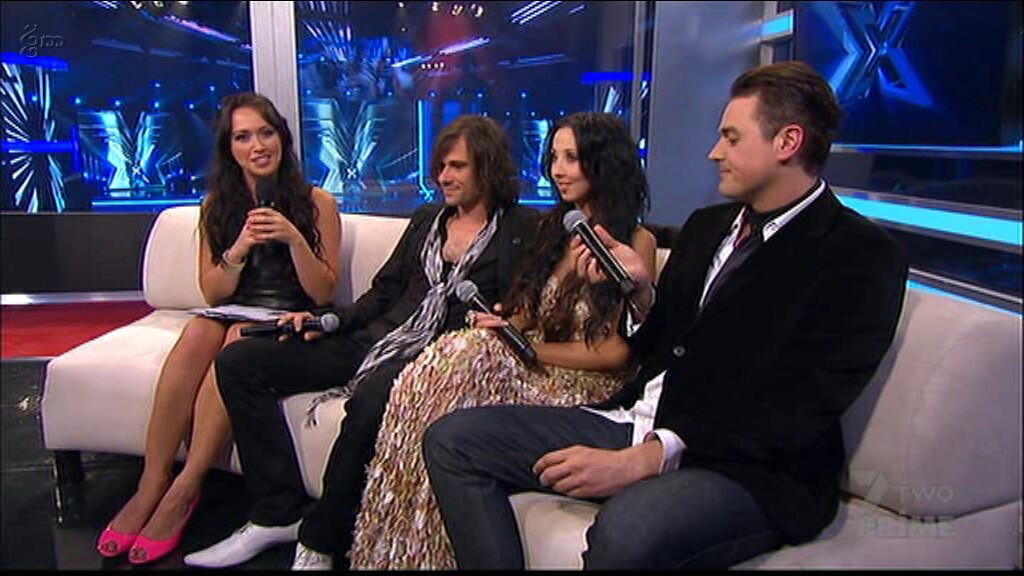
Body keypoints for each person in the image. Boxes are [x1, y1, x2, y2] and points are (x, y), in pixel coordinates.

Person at [423, 61, 910, 569]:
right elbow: (661, 343)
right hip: (637, 418)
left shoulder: (860, 255)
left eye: (731, 138)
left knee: (628, 532)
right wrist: (639, 295)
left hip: (745, 465)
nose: (714, 152)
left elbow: (800, 405)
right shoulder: (707, 226)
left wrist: (653, 456)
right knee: (453, 441)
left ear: (787, 142)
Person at [182, 115, 539, 569]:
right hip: (376, 338)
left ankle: (320, 538)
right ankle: (277, 510)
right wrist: (328, 321)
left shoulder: (521, 227)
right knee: (239, 362)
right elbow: (384, 292)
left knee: (371, 398)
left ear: (487, 168)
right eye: (441, 167)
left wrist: (508, 320)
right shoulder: (428, 219)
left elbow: (526, 304)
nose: (444, 177)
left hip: (437, 359)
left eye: (457, 167)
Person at [345, 112, 658, 570]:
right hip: (532, 364)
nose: (558, 170)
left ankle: (423, 552)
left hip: (583, 383)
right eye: (554, 158)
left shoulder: (635, 241)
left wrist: (525, 350)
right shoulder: (555, 228)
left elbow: (615, 353)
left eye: (571, 158)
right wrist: (503, 324)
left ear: (603, 162)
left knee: (455, 363)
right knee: (445, 362)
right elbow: (529, 312)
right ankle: (401, 548)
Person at [96, 92, 340, 565]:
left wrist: (293, 239)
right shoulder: (216, 206)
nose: (258, 146)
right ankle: (152, 482)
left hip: (288, 317)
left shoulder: (317, 203)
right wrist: (240, 247)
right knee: (198, 332)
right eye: (243, 137)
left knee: (234, 340)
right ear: (230, 148)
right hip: (234, 310)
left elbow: (323, 292)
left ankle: (186, 488)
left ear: (282, 138)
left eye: (265, 133)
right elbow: (213, 292)